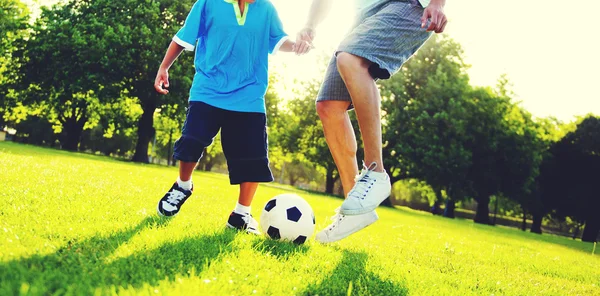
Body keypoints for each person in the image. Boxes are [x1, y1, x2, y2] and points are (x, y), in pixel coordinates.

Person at [294, 0, 448, 243]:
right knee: (329, 106)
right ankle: (353, 209)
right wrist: (310, 24)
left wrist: (437, 3)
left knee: (351, 59)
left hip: (408, 5)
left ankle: (375, 172)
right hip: (362, 15)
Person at [153, 0, 310, 234]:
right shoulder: (208, 3)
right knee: (191, 142)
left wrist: (297, 45)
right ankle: (183, 186)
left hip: (249, 95)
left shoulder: (266, 9)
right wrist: (164, 67)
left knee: (252, 158)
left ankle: (241, 214)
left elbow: (277, 40)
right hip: (208, 89)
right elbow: (184, 36)